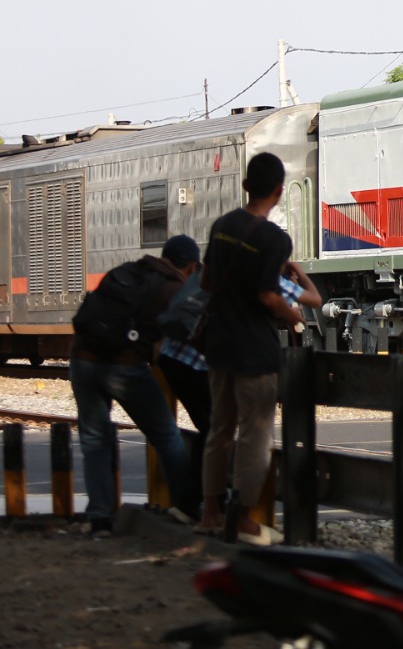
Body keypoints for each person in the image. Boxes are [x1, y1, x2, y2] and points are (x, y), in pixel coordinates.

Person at [197, 152, 322, 545]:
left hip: (218, 345)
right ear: (280, 192)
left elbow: (205, 284)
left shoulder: (221, 227)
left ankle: (210, 513)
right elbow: (268, 295)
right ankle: (244, 518)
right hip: (255, 351)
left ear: (246, 185)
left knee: (219, 430)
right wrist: (292, 316)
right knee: (254, 437)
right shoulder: (274, 239)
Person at [69, 235, 197, 537]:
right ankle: (186, 507)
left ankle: (100, 517)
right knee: (166, 435)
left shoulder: (127, 270)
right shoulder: (174, 289)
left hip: (82, 359)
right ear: (190, 266)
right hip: (124, 368)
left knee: (94, 439)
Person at [154, 234, 211, 522]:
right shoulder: (224, 277)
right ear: (191, 264)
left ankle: (197, 501)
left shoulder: (201, 276)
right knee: (213, 430)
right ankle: (194, 503)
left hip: (171, 356)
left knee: (211, 428)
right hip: (192, 363)